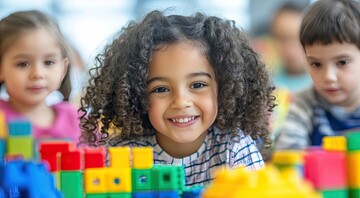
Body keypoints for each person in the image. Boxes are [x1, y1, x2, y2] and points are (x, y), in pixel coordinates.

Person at [79, 10, 276, 186]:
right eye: (161, 89)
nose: (181, 101)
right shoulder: (122, 156)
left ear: (224, 88)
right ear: (137, 95)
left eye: (198, 85)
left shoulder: (235, 149)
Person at [275, 0, 360, 150]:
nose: (329, 77)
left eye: (342, 62)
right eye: (316, 64)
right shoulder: (304, 104)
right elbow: (288, 158)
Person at [0, 10, 80, 144]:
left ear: (63, 68)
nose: (37, 73)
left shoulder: (77, 119)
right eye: (22, 64)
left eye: (48, 62)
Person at [271, 1, 312, 93]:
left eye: (297, 38)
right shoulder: (268, 86)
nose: (289, 48)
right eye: (282, 38)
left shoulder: (323, 86)